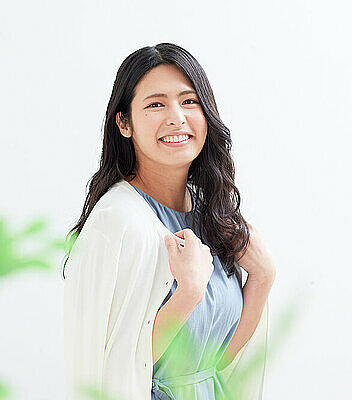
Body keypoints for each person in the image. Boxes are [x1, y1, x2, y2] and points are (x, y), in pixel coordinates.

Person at [62, 43, 276, 400]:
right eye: (156, 104)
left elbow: (214, 363)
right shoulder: (118, 221)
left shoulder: (211, 215)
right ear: (124, 123)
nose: (176, 116)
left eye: (189, 101)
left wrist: (263, 277)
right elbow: (115, 369)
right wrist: (188, 292)